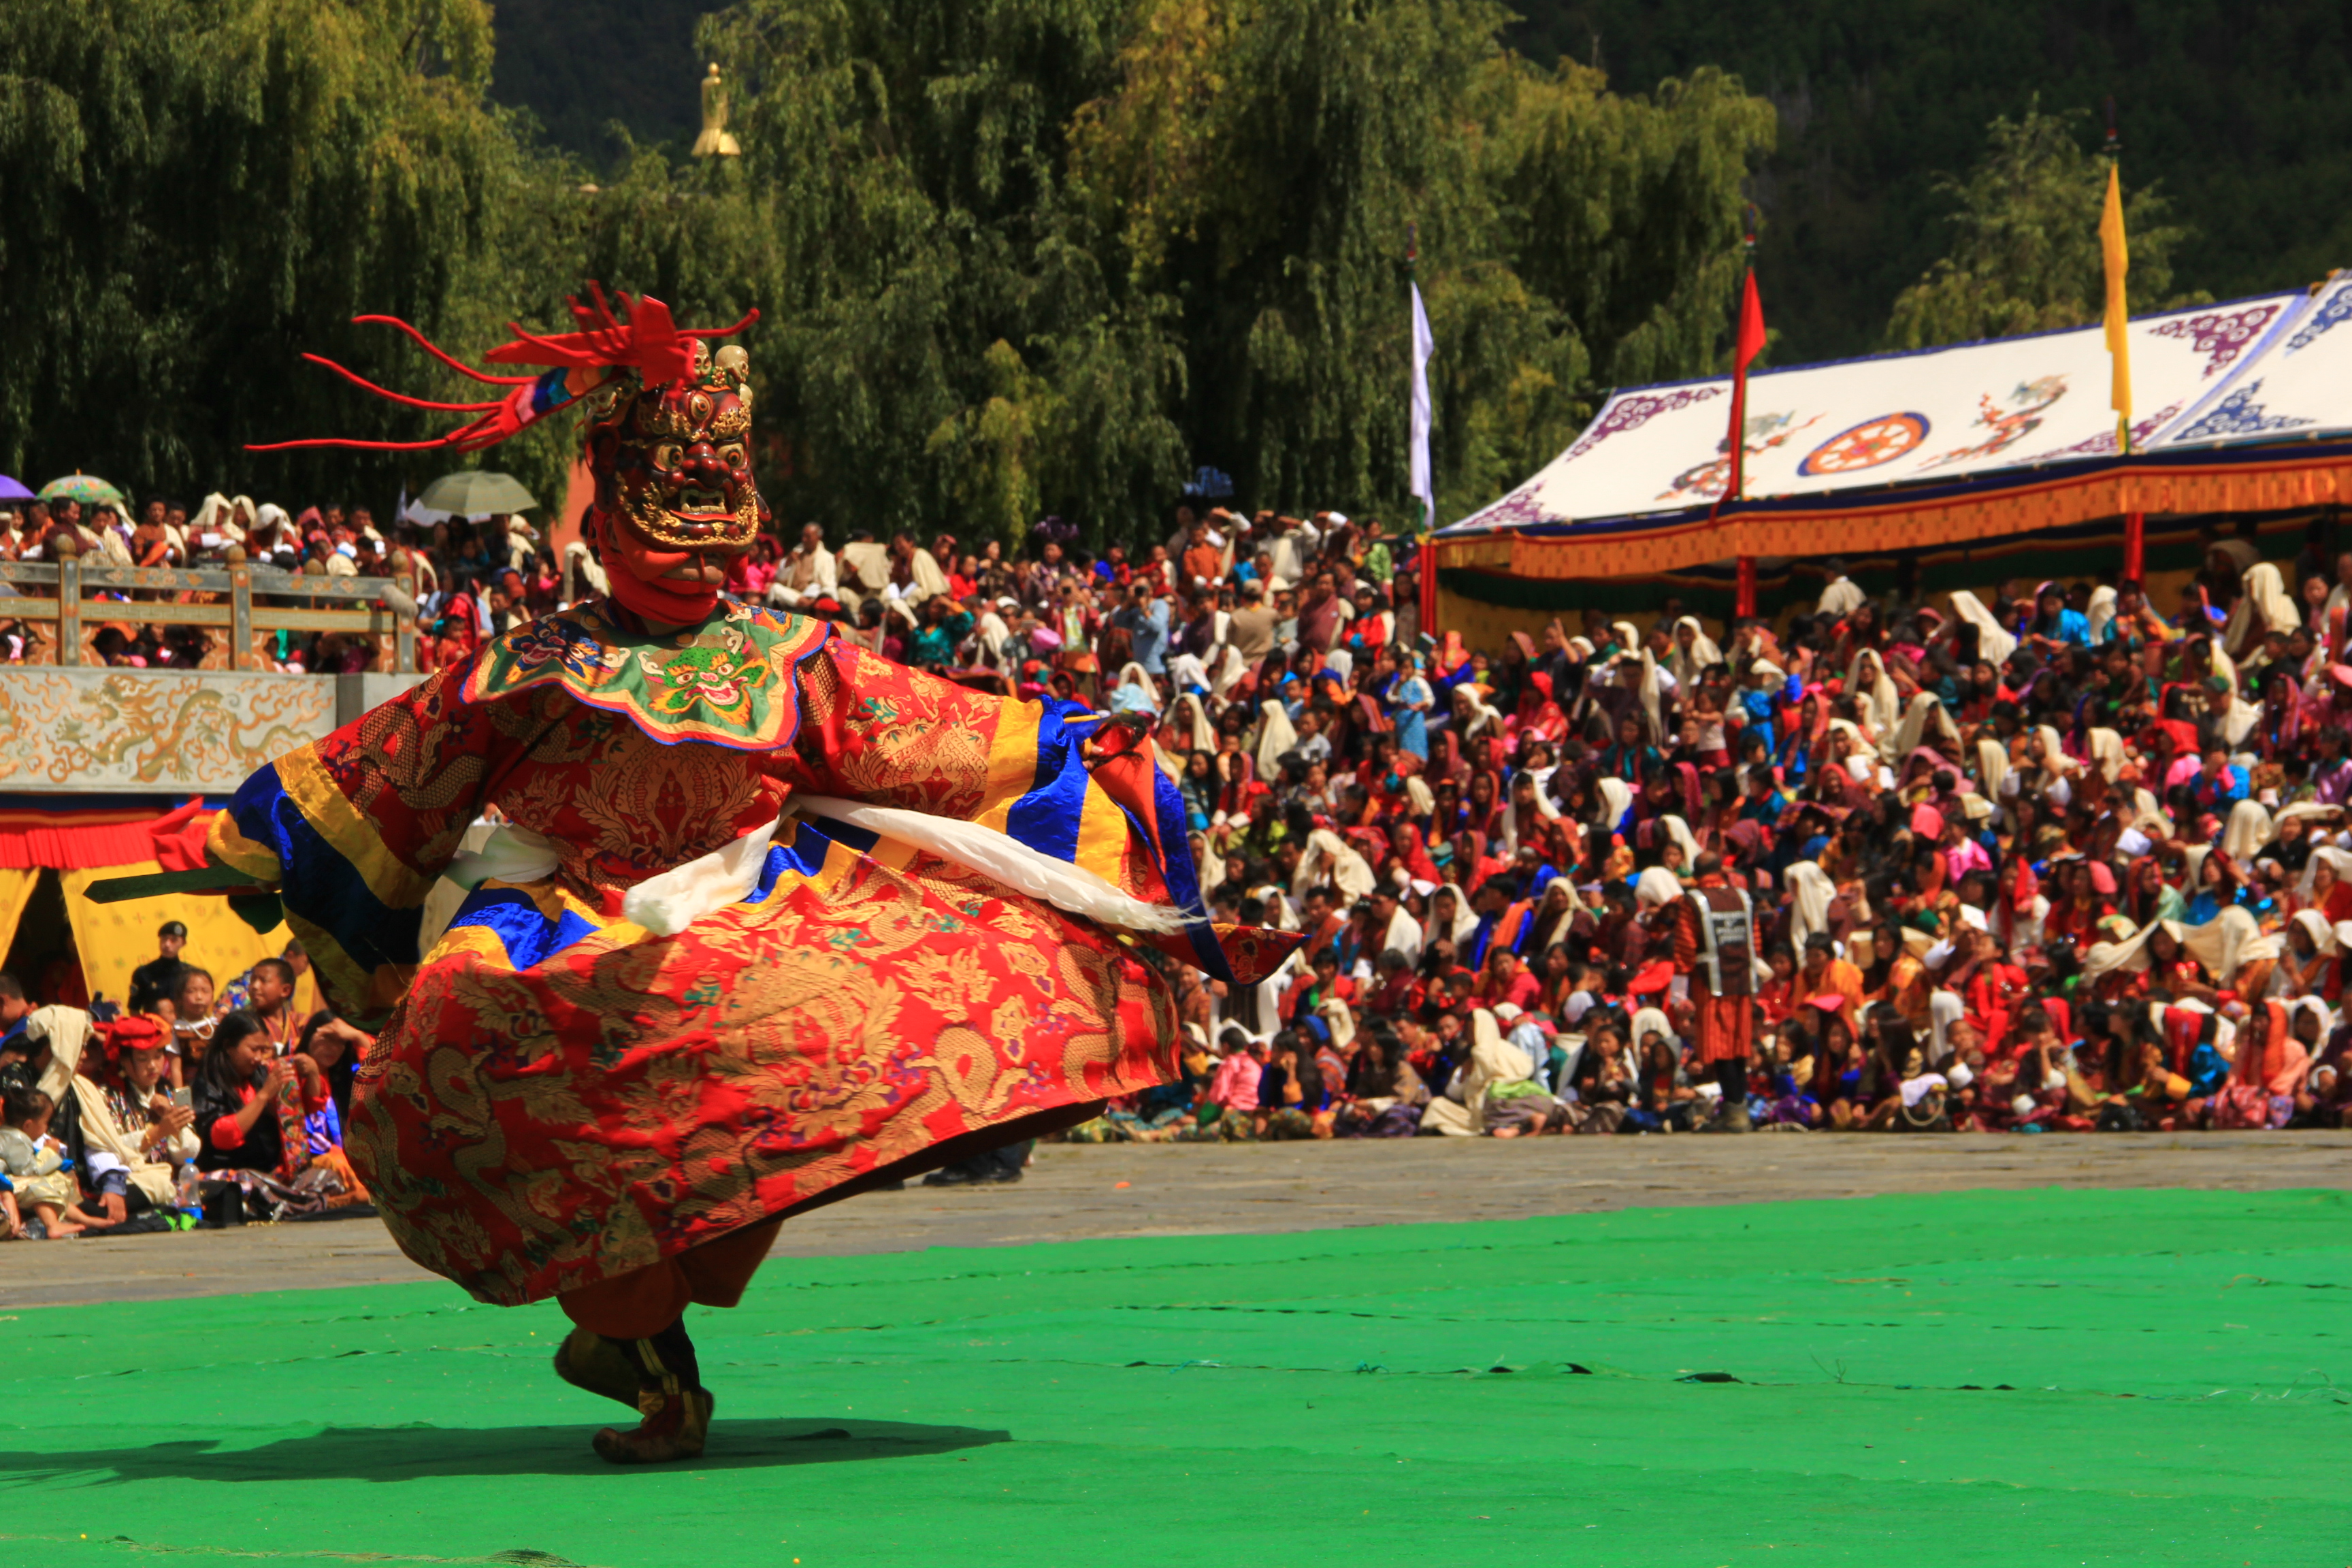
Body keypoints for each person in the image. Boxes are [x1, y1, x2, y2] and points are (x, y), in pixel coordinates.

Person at [201, 287, 1296, 1465]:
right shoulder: (533, 662)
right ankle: (644, 1347)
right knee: (462, 1041)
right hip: (562, 922)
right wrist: (256, 831)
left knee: (799, 1043)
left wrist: (1082, 739)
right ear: (613, 510)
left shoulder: (792, 655)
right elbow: (400, 762)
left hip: (747, 908)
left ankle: (645, 1346)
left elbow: (937, 734)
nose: (691, 543)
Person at [129, 920, 191, 1012]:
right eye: (164, 939)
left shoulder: (190, 974)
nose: (167, 944)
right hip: (153, 1024)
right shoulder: (144, 973)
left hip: (183, 1024)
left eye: (174, 940)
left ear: (183, 943)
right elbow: (134, 1008)